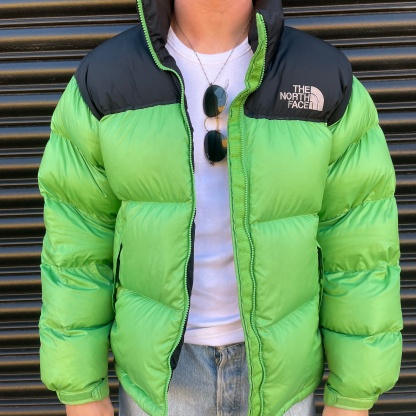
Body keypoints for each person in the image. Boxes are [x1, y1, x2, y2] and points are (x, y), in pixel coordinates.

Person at [37, 0, 403, 415]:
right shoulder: (106, 80)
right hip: (160, 386)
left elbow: (360, 250)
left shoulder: (322, 77)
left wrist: (354, 394)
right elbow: (76, 249)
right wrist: (82, 393)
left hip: (281, 380)